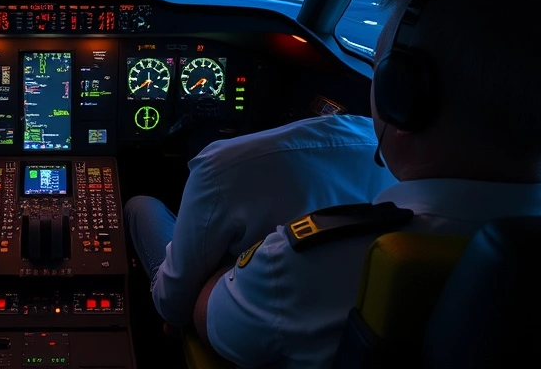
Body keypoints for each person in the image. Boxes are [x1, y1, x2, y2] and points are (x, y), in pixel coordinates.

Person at [193, 0, 541, 368]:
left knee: (140, 208)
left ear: (400, 98)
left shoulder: (307, 262)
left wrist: (236, 268)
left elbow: (209, 321)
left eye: (380, 65)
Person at [125, 113, 398, 329]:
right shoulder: (393, 159)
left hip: (228, 316)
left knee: (140, 205)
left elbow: (174, 307)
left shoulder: (219, 166)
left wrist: (222, 274)